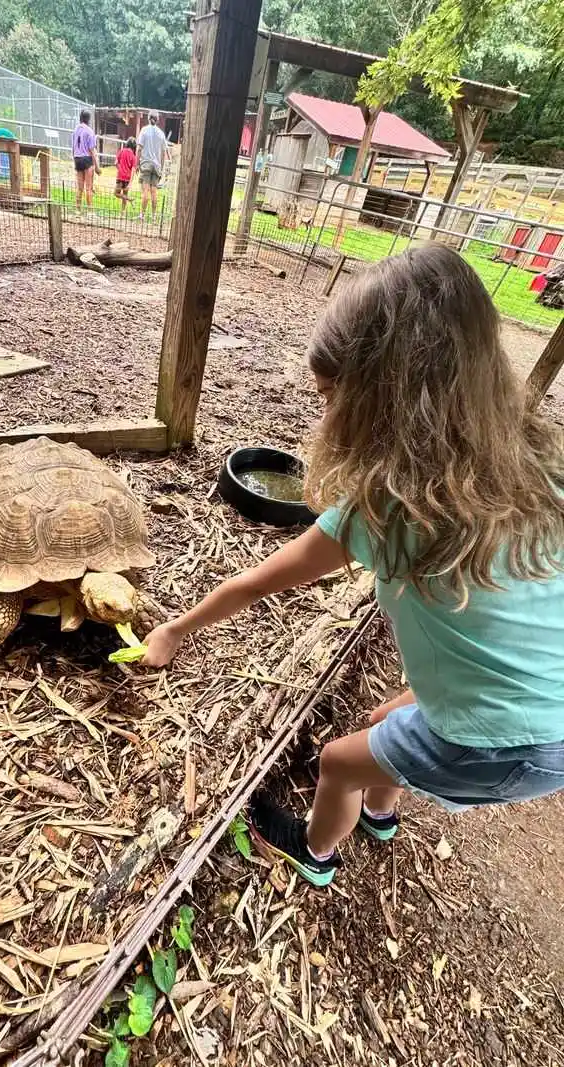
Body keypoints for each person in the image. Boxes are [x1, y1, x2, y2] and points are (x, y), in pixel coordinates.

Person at [142, 244, 564, 888]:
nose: (325, 414)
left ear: (380, 402)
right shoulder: (538, 475)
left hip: (499, 743)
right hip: (550, 719)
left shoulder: (386, 512)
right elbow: (516, 621)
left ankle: (315, 854)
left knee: (339, 760)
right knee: (383, 722)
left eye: (331, 396)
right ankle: (380, 815)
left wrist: (175, 629)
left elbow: (260, 580)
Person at [136, 111, 170, 221]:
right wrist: (161, 167)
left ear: (148, 118)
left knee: (145, 190)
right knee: (154, 191)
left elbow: (139, 148)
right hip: (156, 166)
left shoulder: (144, 131)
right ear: (158, 119)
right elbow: (163, 153)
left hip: (146, 164)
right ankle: (154, 216)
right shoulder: (161, 134)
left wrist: (137, 163)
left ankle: (142, 215)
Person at [71, 109, 100, 216]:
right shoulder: (89, 131)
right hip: (87, 159)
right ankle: (90, 211)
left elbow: (73, 148)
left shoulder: (75, 130)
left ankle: (77, 210)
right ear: (88, 119)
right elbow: (92, 150)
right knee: (88, 187)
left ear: (80, 118)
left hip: (77, 159)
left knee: (79, 188)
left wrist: (74, 160)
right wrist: (97, 167)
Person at [115, 137, 137, 214]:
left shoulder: (122, 151)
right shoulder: (134, 157)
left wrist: (119, 169)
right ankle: (123, 212)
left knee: (116, 193)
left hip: (120, 176)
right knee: (125, 193)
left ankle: (129, 199)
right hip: (127, 178)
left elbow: (116, 163)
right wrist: (130, 183)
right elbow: (133, 170)